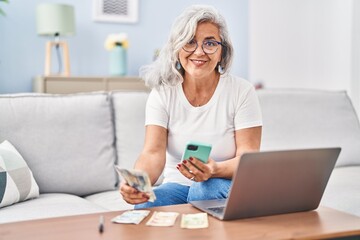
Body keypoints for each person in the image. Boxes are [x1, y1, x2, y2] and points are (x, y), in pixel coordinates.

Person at [119, 5, 263, 208]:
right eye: (189, 42)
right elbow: (153, 153)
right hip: (178, 186)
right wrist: (137, 184)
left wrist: (214, 170)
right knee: (144, 206)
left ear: (222, 52)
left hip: (224, 184)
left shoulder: (242, 91)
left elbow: (249, 158)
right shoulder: (162, 93)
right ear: (177, 50)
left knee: (202, 189)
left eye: (210, 43)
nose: (199, 52)